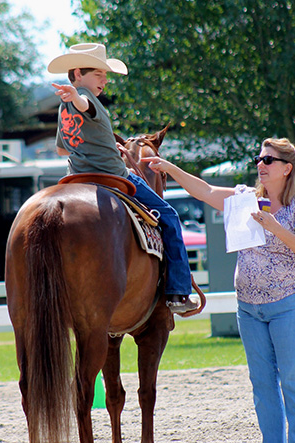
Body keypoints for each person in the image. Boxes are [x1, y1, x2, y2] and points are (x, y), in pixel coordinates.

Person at [142, 137, 295, 443]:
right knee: (262, 382)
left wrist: (275, 227)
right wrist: (169, 168)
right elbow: (205, 192)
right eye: (259, 158)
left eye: (268, 160)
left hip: (292, 303)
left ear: (287, 168)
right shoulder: (246, 200)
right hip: (250, 307)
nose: (261, 164)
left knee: (293, 378)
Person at [47, 42, 198, 314]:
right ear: (78, 73)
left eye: (106, 75)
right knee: (170, 217)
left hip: (77, 179)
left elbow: (61, 148)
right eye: (98, 74)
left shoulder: (63, 107)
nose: (104, 80)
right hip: (112, 176)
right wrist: (77, 96)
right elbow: (85, 106)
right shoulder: (83, 97)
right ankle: (179, 291)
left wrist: (102, 143)